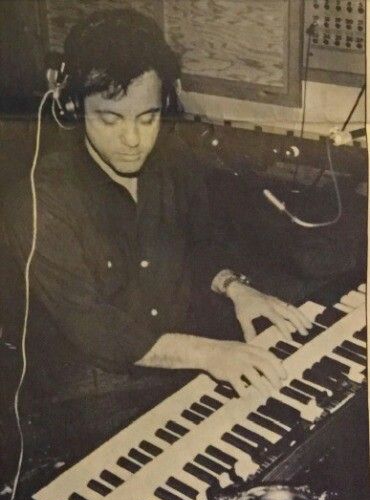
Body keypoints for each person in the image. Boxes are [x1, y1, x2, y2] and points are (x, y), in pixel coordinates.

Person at [2, 9, 312, 467]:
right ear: (72, 107)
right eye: (110, 119)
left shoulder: (173, 158)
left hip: (180, 374)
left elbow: (202, 244)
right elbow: (98, 329)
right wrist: (209, 354)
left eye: (147, 118)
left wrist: (236, 287)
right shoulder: (38, 201)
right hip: (87, 404)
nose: (133, 139)